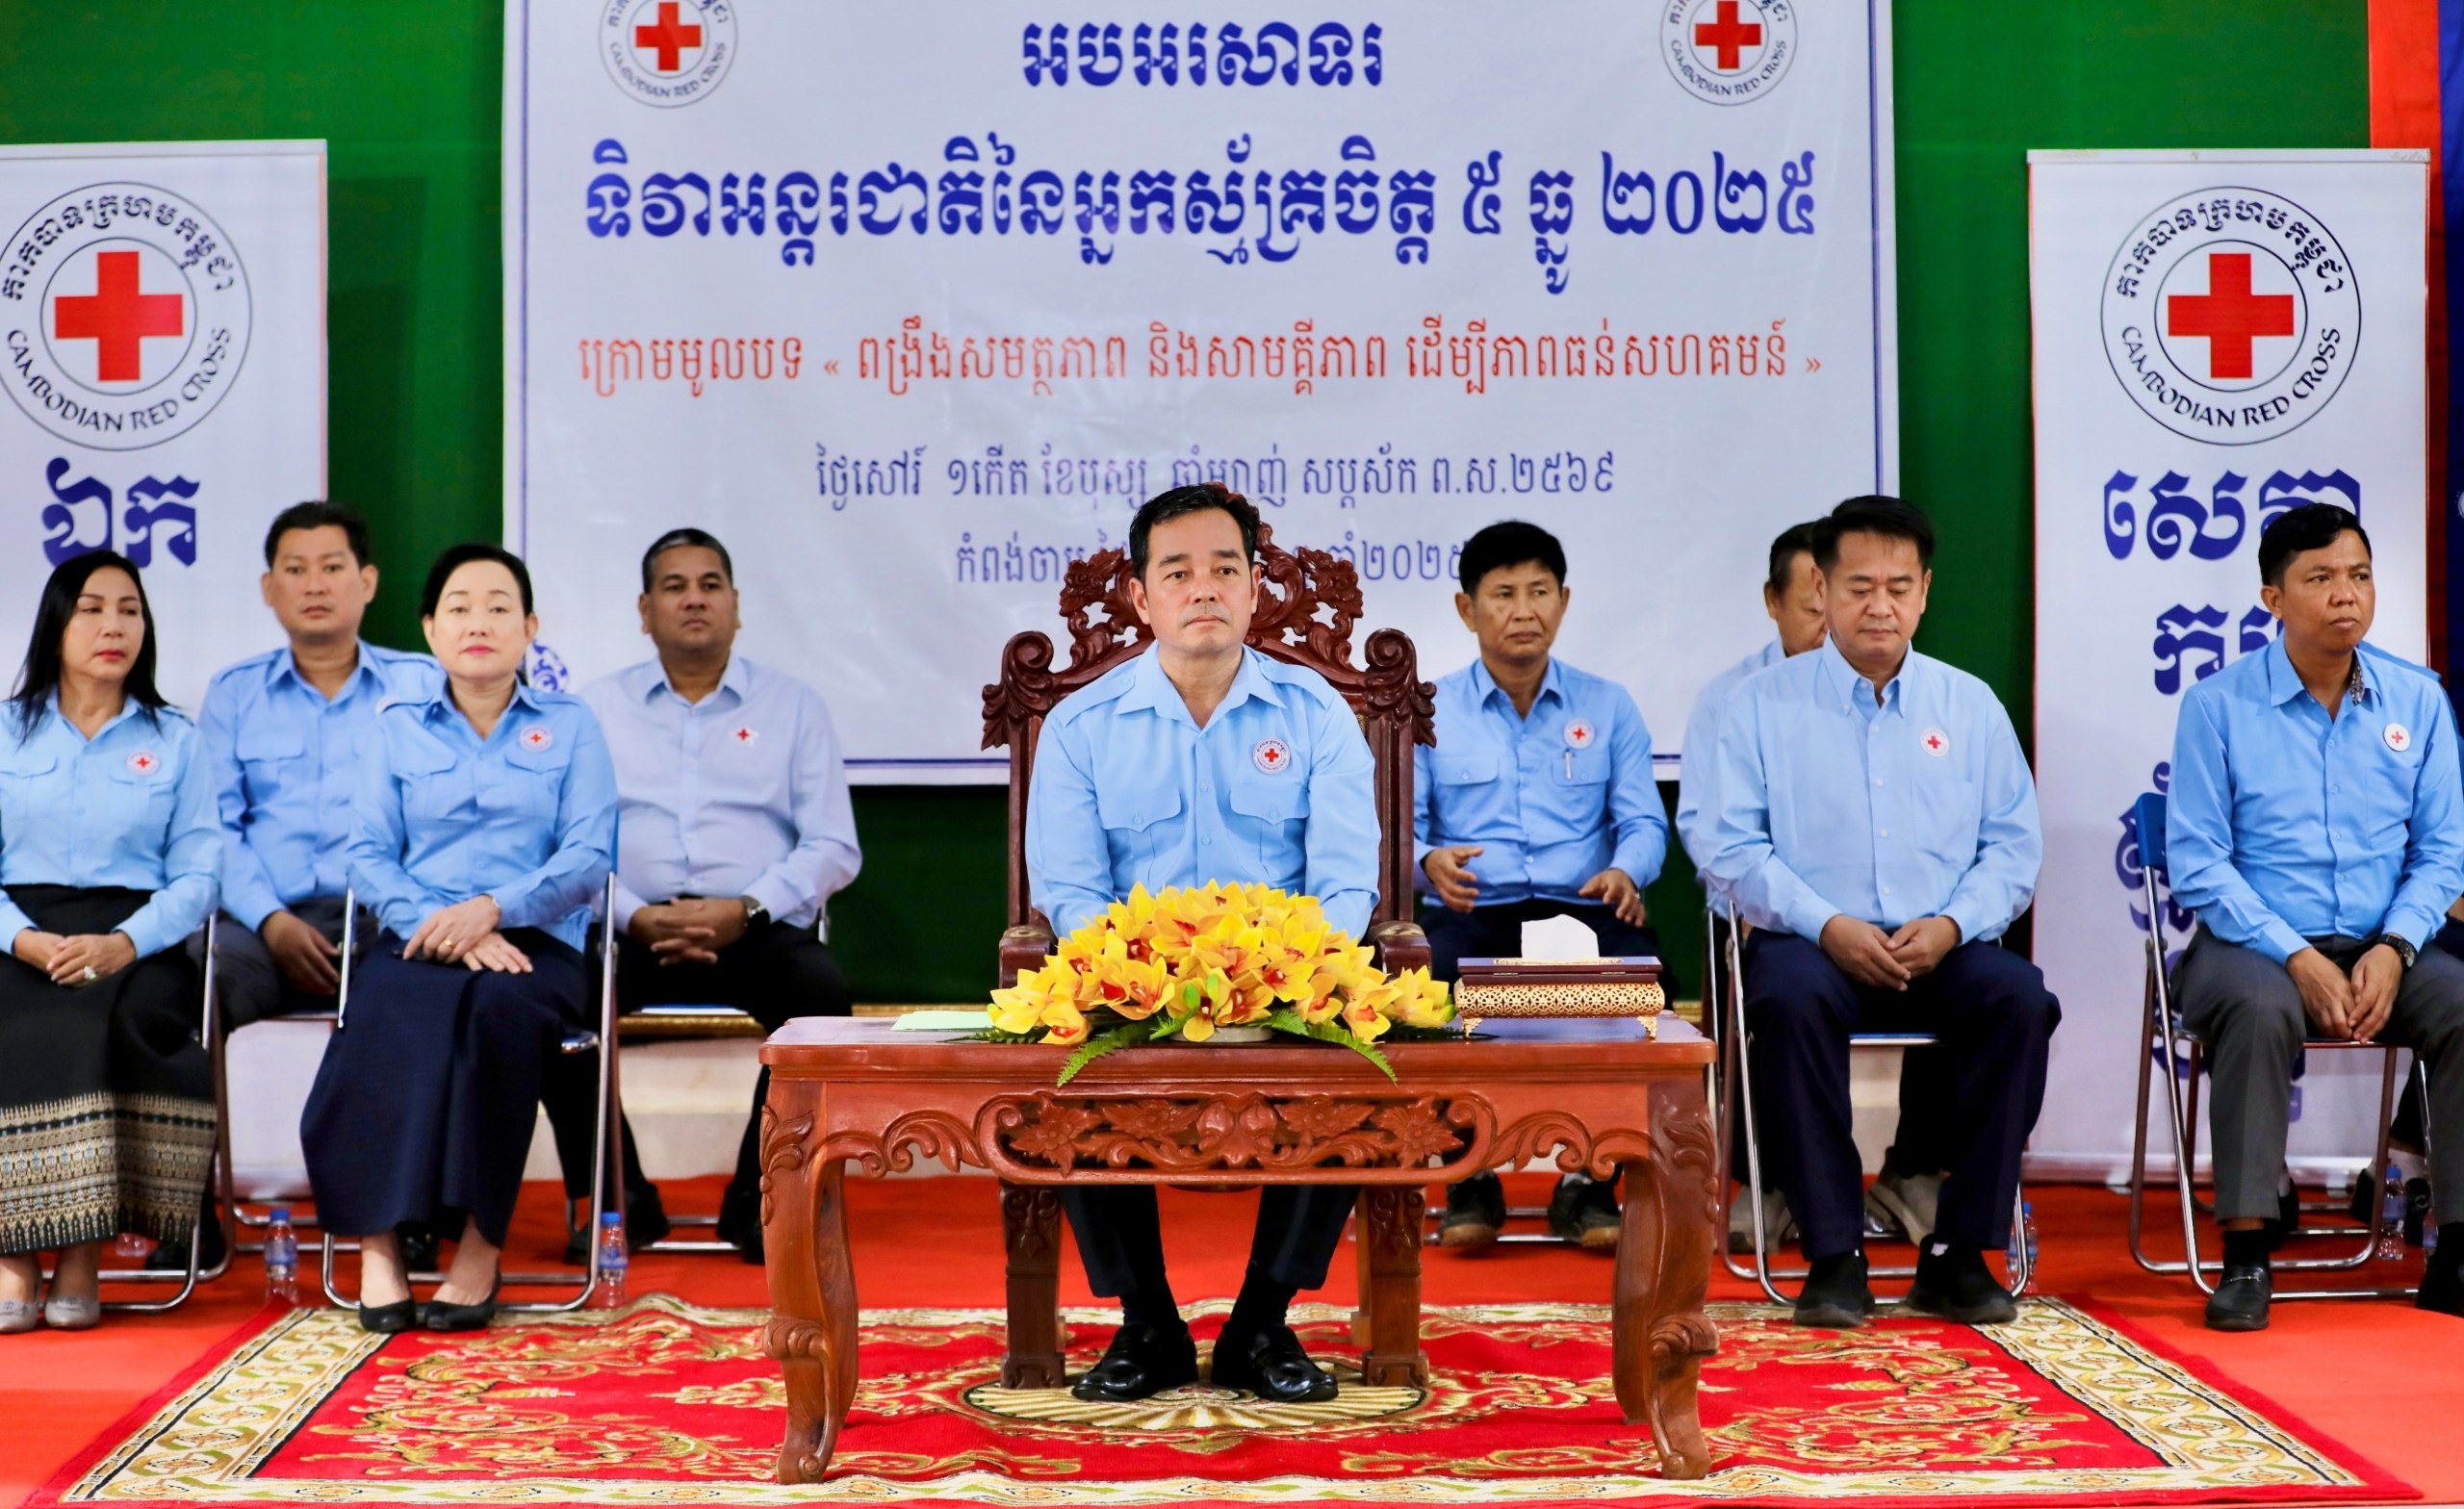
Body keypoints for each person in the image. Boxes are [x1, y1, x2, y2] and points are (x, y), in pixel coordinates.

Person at [1028, 483, 1379, 1405]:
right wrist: (1145, 979)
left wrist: (1281, 976)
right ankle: (1146, 1321)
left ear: (1257, 587)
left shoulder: (1316, 713)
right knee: (1066, 1051)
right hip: (1133, 994)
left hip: (1284, 993)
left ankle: (1263, 1321)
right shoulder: (1080, 727)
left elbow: (1347, 883)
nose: (1204, 589)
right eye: (1177, 572)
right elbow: (1070, 893)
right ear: (1140, 597)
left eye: (1225, 568)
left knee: (1354, 1054)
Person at [1707, 496, 2058, 1329]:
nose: (1880, 606)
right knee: (1786, 1001)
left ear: (1925, 592)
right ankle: (1835, 1256)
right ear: (1821, 592)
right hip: (1811, 942)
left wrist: (1953, 925)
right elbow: (1729, 849)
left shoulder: (1969, 706)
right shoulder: (1759, 706)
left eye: (1899, 587)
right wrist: (1827, 924)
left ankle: (1959, 1253)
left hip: (1939, 943)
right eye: (1859, 587)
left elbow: (2013, 848)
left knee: (2019, 999)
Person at [300, 545, 616, 1334]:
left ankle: (481, 1245)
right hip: (421, 934)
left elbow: (589, 854)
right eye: (460, 607)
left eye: (499, 607)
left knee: (498, 1016)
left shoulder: (571, 727)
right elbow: (367, 854)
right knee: (383, 1010)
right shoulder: (396, 729)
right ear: (430, 630)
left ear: (530, 629)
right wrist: (441, 925)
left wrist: (493, 909)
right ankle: (379, 1244)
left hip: (534, 945)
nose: (479, 622)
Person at [2166, 502, 2464, 1329]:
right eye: (2321, 578)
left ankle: (2457, 1252)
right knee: (2260, 1009)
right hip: (2252, 946)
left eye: (2359, 576)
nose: (2346, 595)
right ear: (2273, 598)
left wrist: (2396, 947)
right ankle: (2247, 1255)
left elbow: (2443, 854)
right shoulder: (2218, 706)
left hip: (2382, 943)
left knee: (2462, 1003)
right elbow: (2198, 863)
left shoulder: (2418, 701)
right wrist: (2295, 954)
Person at [564, 527, 860, 1264]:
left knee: (819, 997)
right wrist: (634, 913)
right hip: (630, 926)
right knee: (550, 1004)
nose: (694, 599)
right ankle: (619, 1204)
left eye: (709, 584)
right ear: (644, 611)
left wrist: (746, 908)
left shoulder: (794, 706)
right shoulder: (593, 710)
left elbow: (834, 845)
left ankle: (762, 1203)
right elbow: (570, 847)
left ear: (735, 605)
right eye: (674, 586)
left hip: (753, 924)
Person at [1679, 522, 1956, 1252]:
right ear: (1782, 602)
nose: (1846, 619)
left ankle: (1914, 1171)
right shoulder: (1736, 700)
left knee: (1988, 980)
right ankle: (1771, 1180)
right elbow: (1711, 834)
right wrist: (1782, 909)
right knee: (1769, 975)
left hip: (1895, 915)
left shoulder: (1934, 699)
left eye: (1889, 590)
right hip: (1762, 912)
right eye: (1820, 604)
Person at [1416, 521, 1667, 1251]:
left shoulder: (1608, 705)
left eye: (1539, 592)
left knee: (1639, 980)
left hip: (1579, 908)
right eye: (1503, 594)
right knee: (1427, 982)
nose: (1523, 611)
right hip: (1475, 908)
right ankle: (1469, 1174)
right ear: (1467, 609)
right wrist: (1427, 862)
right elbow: (1401, 831)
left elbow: (1644, 821)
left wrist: (1626, 870)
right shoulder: (1429, 710)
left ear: (1564, 601)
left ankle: (1589, 1182)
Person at [0, 551, 218, 1333]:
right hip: (18, 931)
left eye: (129, 610)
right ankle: (15, 1252)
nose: (113, 626)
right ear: (56, 624)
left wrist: (124, 943)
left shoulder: (175, 738)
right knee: (18, 1016)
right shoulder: (6, 730)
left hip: (135, 937)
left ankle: (82, 1251)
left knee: (115, 1019)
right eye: (92, 609)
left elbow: (199, 875)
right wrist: (23, 940)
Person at [198, 502, 436, 1029]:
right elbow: (214, 829)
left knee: (427, 979)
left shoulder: (420, 686)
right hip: (261, 926)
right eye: (295, 570)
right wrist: (271, 920)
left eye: (331, 567)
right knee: (199, 975)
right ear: (269, 588)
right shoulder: (234, 694)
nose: (314, 586)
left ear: (367, 582)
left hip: (385, 920)